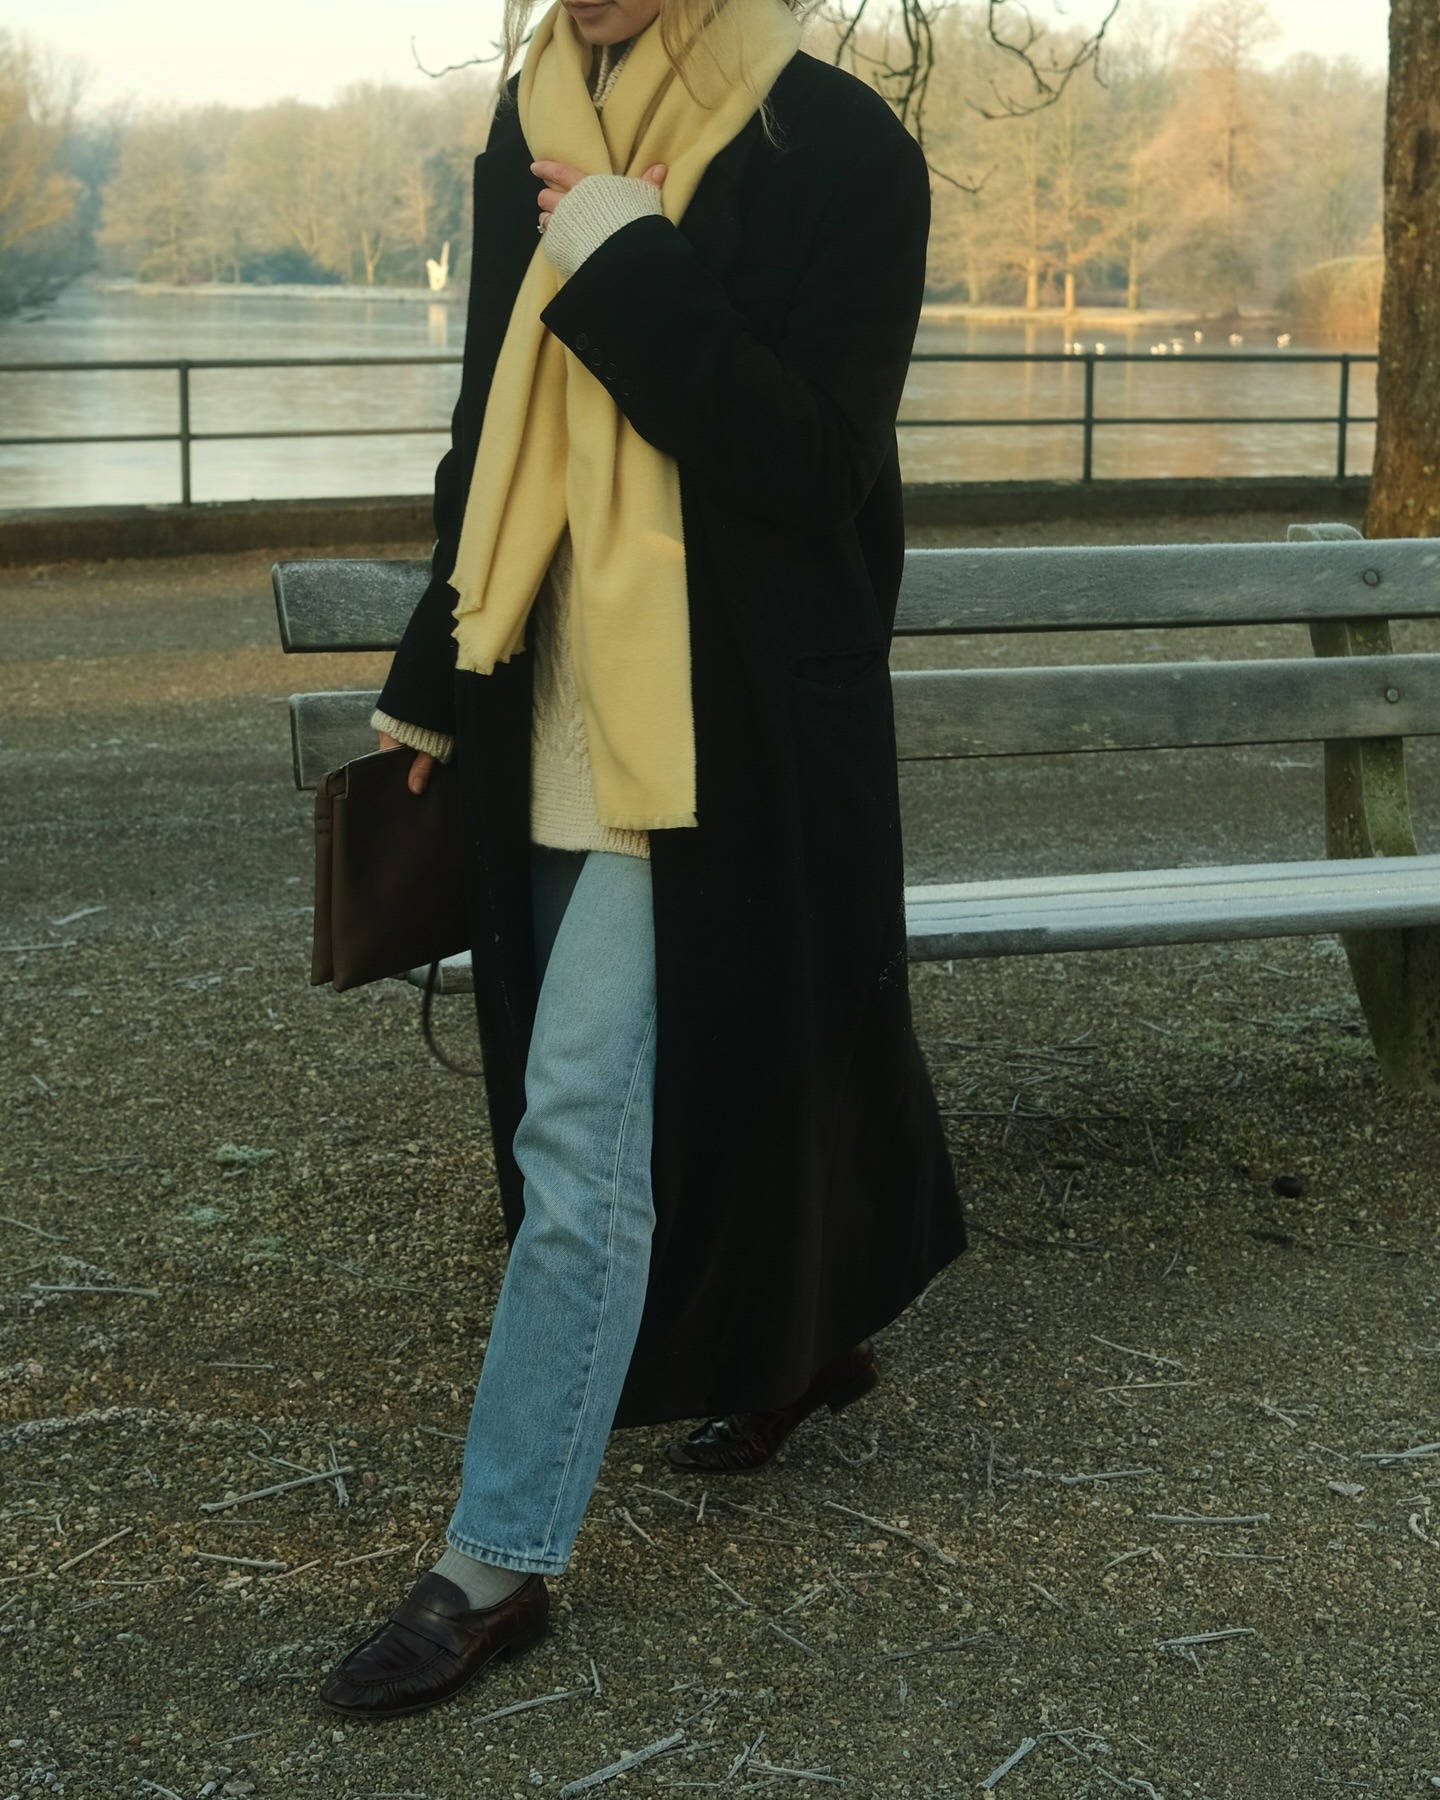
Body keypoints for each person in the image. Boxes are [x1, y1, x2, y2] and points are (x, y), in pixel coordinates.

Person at [317, 0, 965, 1722]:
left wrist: (621, 257)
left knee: (580, 1119)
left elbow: (813, 466)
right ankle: (803, 1338)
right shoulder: (528, 121)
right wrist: (430, 672)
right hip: (545, 697)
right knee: (724, 1057)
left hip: (729, 726)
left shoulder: (842, 153)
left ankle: (494, 1559)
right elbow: (492, 420)